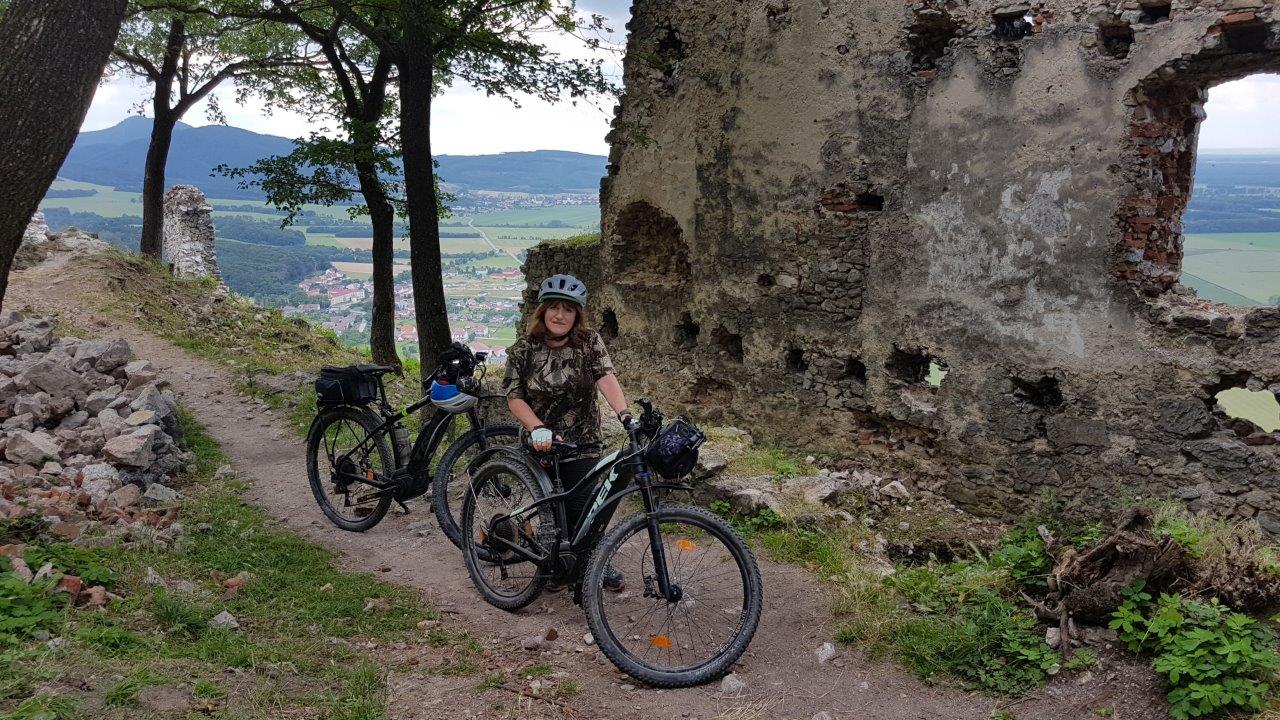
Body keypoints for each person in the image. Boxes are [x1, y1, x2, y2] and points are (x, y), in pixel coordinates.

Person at [502, 273, 630, 591]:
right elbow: (514, 397)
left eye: (568, 309)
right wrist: (537, 427)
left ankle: (592, 561)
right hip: (541, 440)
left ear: (577, 315)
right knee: (552, 510)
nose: (560, 315)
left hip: (582, 439)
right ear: (543, 311)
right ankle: (554, 562)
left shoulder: (589, 342)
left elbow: (606, 377)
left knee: (585, 505)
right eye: (554, 308)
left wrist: (625, 415)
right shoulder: (523, 350)